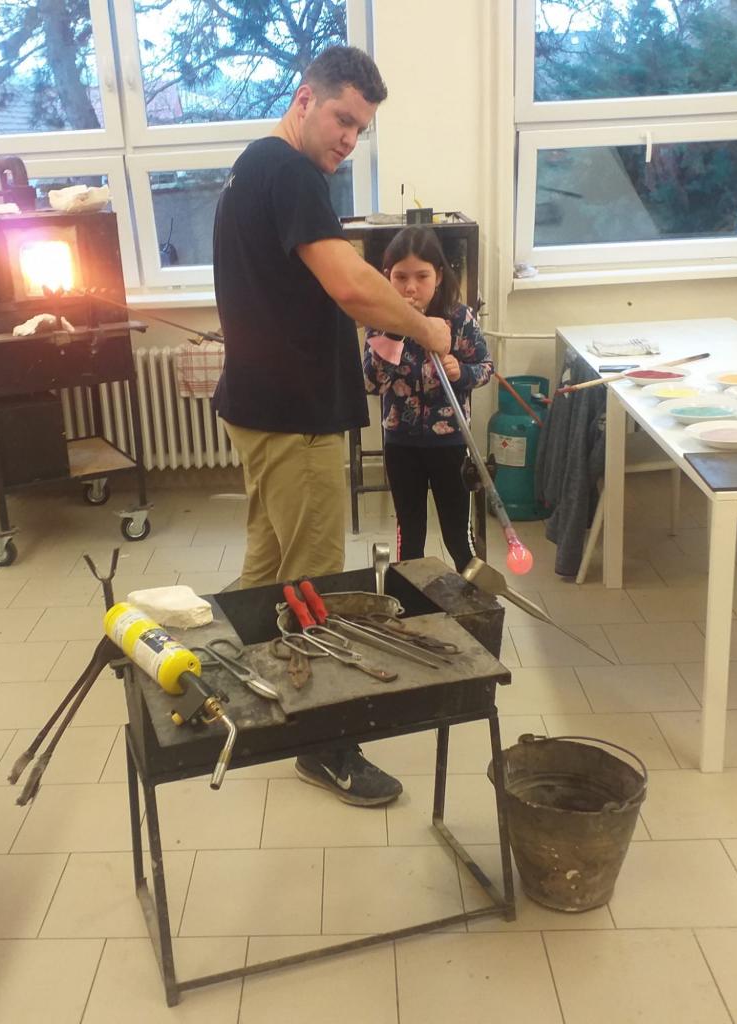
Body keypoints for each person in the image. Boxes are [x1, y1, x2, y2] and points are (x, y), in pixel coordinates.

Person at [212, 46, 452, 807]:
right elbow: (349, 285)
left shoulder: (254, 167)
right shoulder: (290, 173)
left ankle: (245, 684)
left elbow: (324, 283)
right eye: (343, 118)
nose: (349, 138)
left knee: (268, 564)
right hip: (294, 418)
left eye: (361, 128)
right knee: (315, 583)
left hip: (261, 409)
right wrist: (426, 326)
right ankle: (322, 746)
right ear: (304, 99)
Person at [363, 227, 494, 572]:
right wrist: (396, 332)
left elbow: (486, 367)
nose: (411, 287)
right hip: (401, 444)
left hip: (450, 443)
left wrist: (461, 373)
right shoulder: (380, 322)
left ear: (438, 275)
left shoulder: (459, 318)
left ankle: (472, 597)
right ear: (386, 276)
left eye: (422, 276)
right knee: (410, 537)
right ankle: (412, 600)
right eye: (400, 277)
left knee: (457, 537)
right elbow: (371, 383)